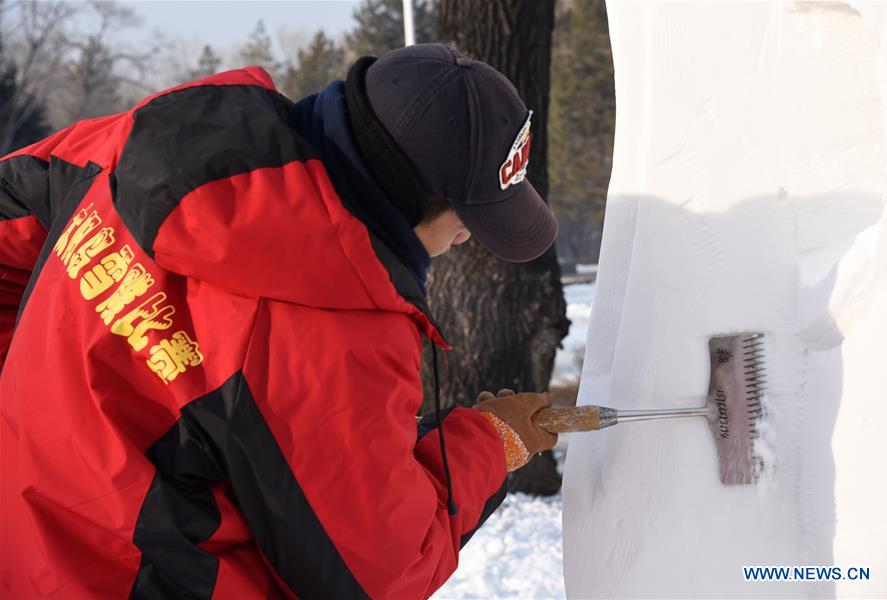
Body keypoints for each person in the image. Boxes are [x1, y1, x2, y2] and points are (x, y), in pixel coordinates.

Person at [0, 43, 559, 598]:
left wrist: (30, 380)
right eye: (468, 217)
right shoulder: (335, 330)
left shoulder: (159, 141)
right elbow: (383, 572)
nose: (466, 238)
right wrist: (490, 443)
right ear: (414, 195)